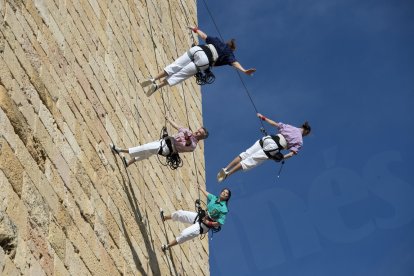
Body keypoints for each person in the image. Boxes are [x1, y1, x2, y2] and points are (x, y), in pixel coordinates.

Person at [141, 26, 256, 96]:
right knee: (180, 75)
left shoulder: (218, 41)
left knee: (175, 65)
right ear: (232, 49)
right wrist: (244, 70)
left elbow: (204, 36)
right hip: (205, 60)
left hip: (198, 49)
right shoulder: (229, 54)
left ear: (227, 43)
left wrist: (194, 29)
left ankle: (153, 79)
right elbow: (235, 63)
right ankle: (158, 86)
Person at [217, 113, 311, 182]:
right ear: (306, 132)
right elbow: (291, 154)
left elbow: (274, 124)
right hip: (274, 147)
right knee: (250, 161)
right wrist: (282, 157)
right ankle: (228, 174)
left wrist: (263, 117)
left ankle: (226, 168)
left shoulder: (291, 127)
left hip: (268, 139)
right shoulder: (300, 141)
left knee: (246, 154)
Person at [110, 117, 208, 167]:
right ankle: (128, 162)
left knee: (145, 147)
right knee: (147, 152)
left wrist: (187, 137)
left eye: (200, 133)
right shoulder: (188, 131)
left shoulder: (193, 145)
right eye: (198, 130)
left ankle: (119, 150)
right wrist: (169, 119)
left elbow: (187, 144)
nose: (197, 132)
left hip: (167, 148)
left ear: (201, 137)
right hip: (164, 141)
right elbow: (178, 127)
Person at [160, 187, 231, 251]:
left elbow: (220, 223)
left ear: (227, 197)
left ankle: (167, 246)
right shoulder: (214, 198)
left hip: (203, 226)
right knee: (180, 213)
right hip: (199, 217)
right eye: (223, 191)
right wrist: (200, 188)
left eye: (226, 193)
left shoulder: (224, 209)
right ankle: (164, 218)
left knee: (184, 234)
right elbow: (208, 194)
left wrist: (208, 223)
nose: (224, 193)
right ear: (221, 192)